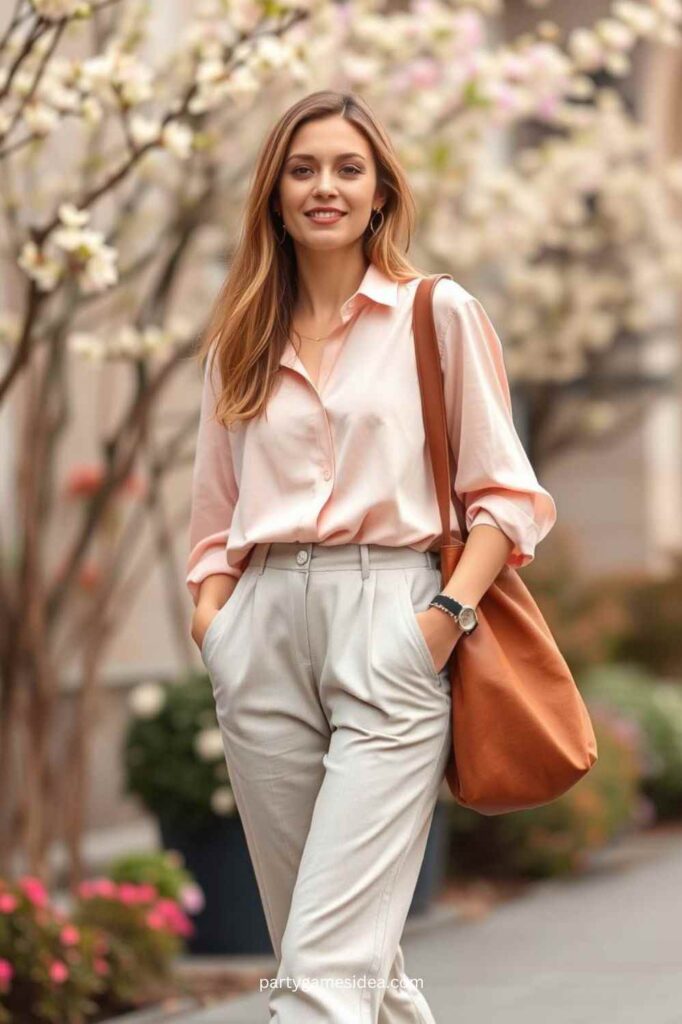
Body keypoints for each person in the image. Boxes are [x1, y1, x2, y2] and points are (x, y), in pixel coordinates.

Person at [185, 89, 557, 1023]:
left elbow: (505, 498)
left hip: (391, 621)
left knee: (320, 972)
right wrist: (218, 630)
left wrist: (441, 620)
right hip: (261, 631)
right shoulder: (238, 340)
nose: (324, 187)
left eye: (347, 169)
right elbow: (211, 522)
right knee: (349, 963)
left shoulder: (437, 313)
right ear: (273, 194)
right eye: (302, 169)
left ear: (381, 192)